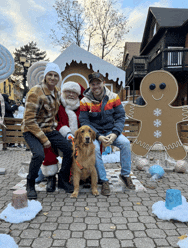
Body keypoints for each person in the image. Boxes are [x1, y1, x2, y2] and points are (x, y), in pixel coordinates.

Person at [21, 62, 74, 199]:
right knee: (39, 154)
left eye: (56, 75)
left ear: (58, 78)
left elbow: (54, 114)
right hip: (31, 130)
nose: (53, 77)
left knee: (69, 149)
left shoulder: (56, 92)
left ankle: (62, 179)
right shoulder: (35, 92)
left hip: (49, 129)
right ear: (45, 76)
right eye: (50, 74)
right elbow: (29, 120)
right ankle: (30, 183)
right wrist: (44, 140)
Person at [79, 72, 135, 196]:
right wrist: (98, 136)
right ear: (90, 85)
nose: (96, 86)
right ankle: (104, 180)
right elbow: (84, 121)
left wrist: (115, 134)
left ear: (103, 83)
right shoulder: (84, 101)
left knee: (125, 143)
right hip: (94, 134)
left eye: (98, 83)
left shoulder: (114, 97)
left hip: (111, 131)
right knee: (95, 150)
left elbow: (120, 117)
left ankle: (125, 175)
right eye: (93, 84)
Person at [36, 81, 84, 193]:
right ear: (63, 92)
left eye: (74, 92)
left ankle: (69, 178)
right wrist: (67, 133)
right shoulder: (57, 104)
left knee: (73, 149)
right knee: (48, 146)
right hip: (57, 134)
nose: (71, 95)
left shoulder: (81, 107)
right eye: (68, 92)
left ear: (78, 94)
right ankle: (50, 177)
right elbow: (54, 122)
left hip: (77, 138)